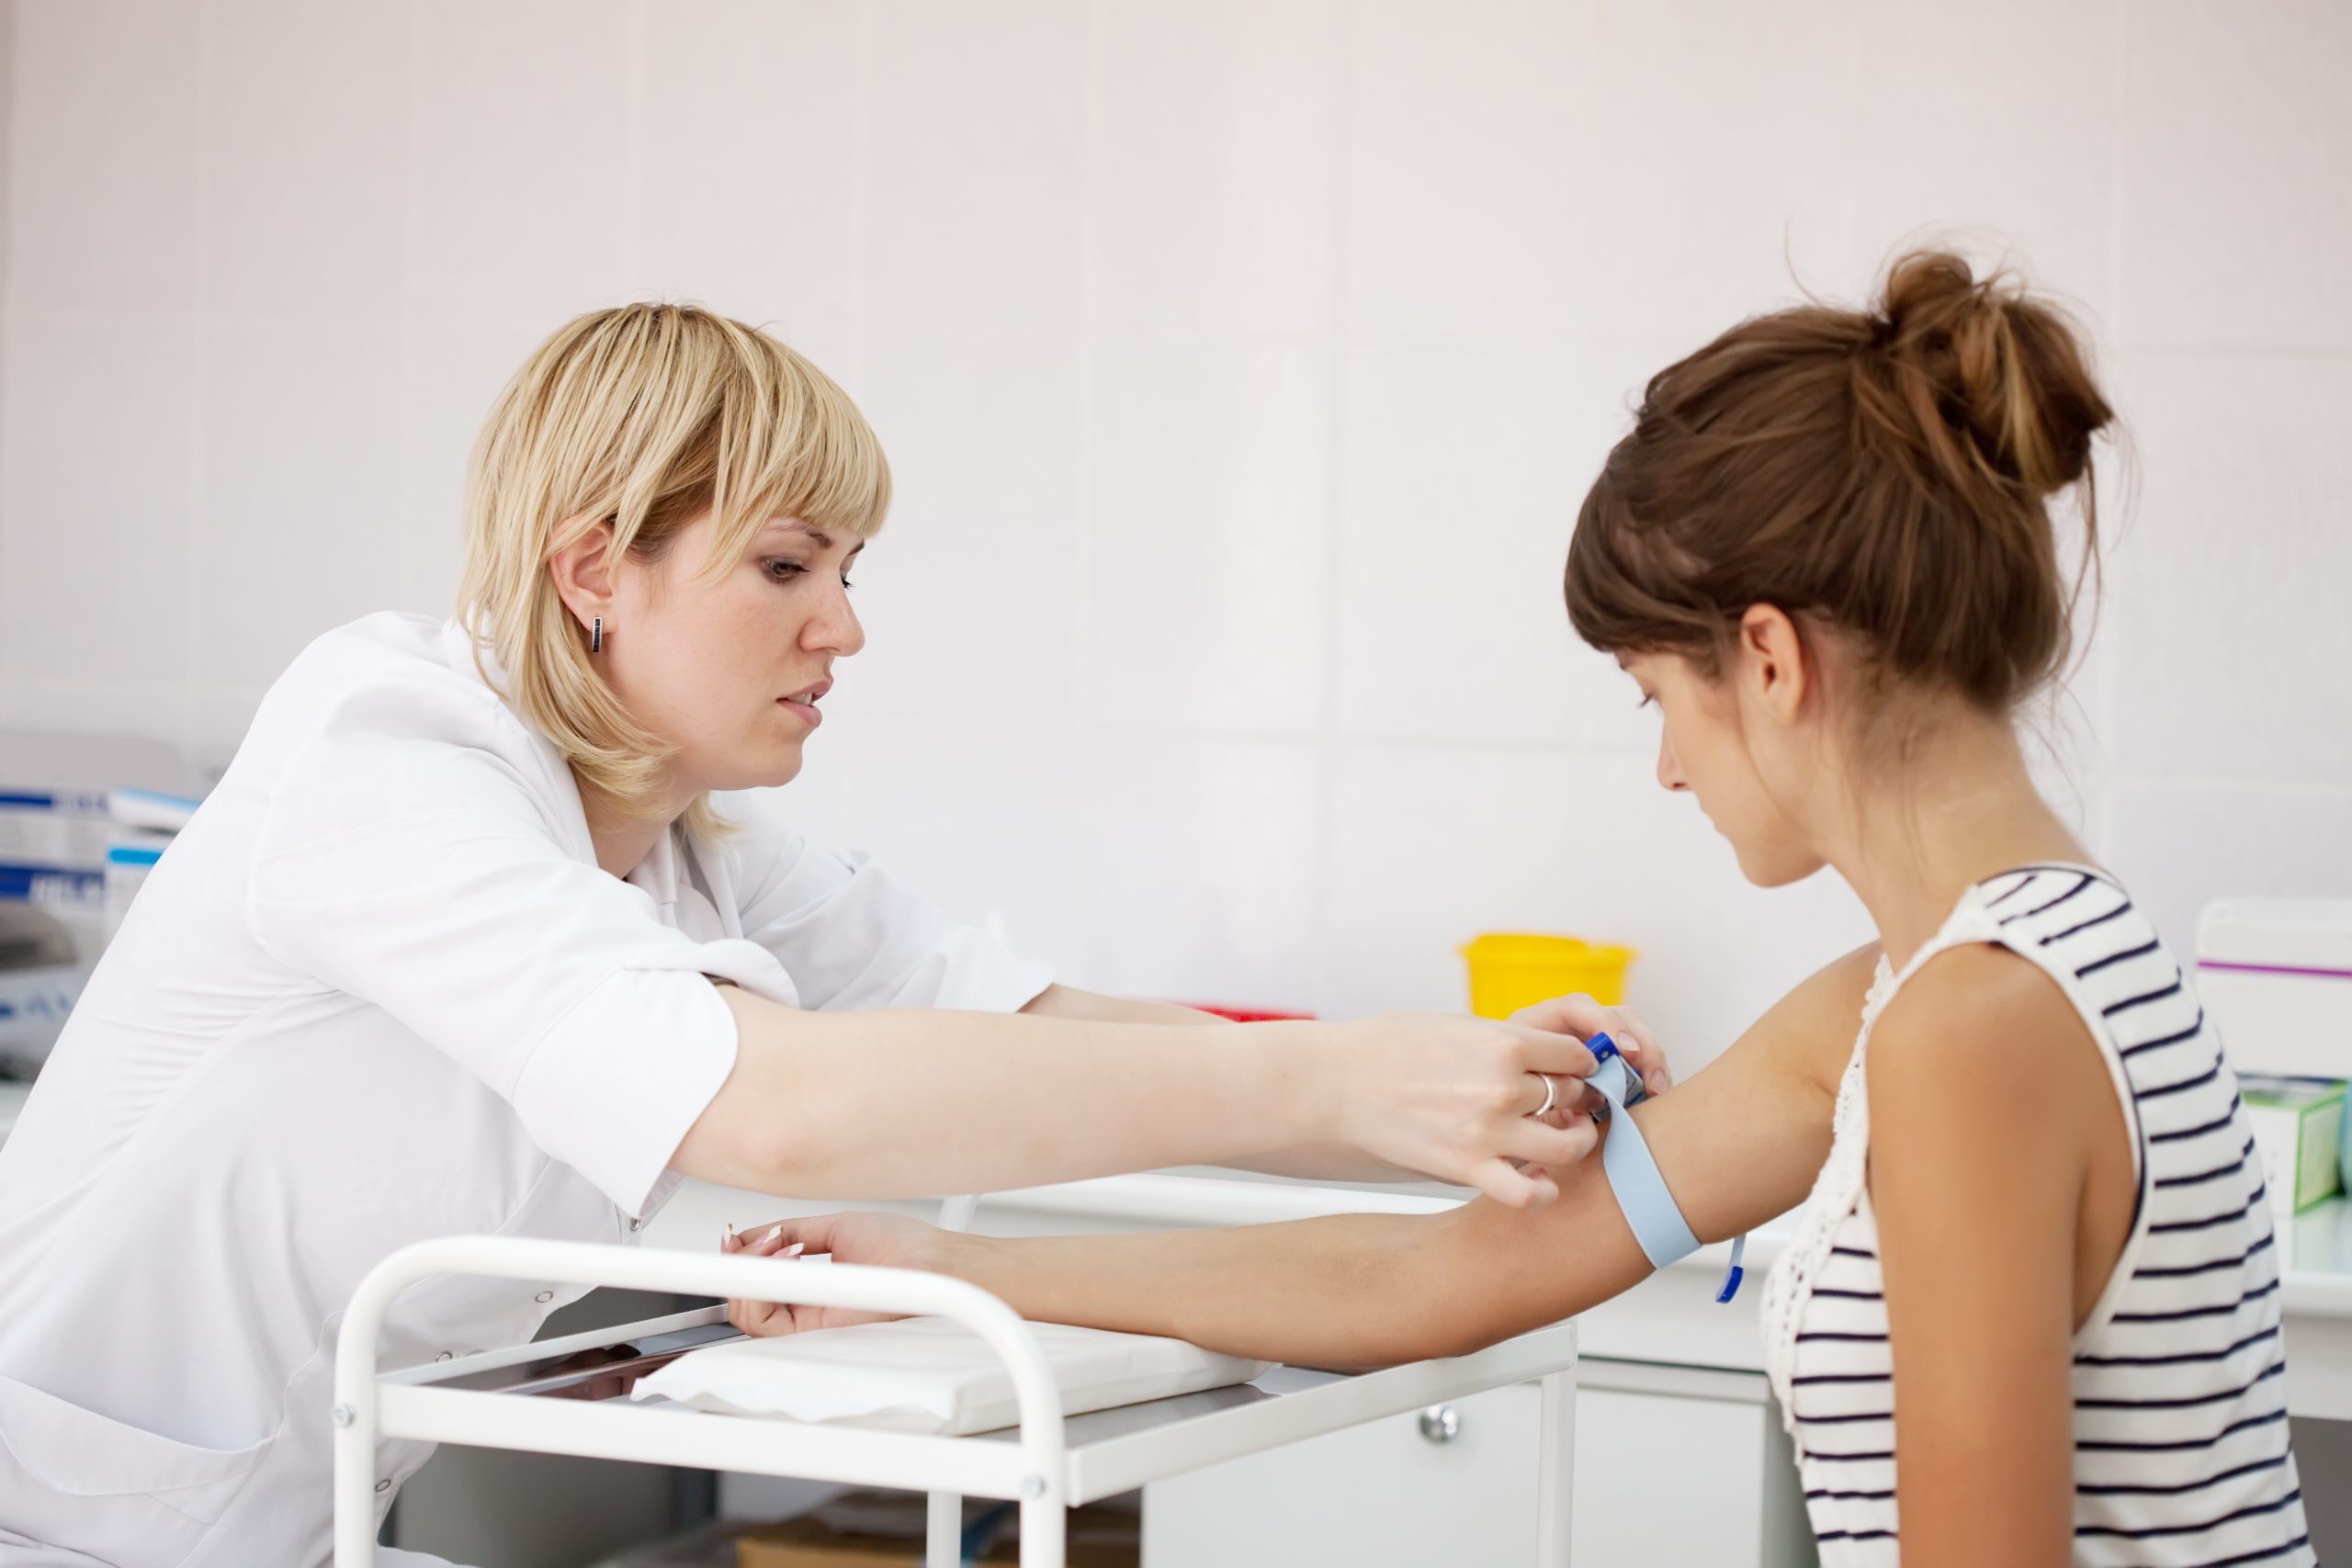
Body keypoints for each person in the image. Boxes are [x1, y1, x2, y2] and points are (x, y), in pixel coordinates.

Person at [743, 254, 2313, 1567]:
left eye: (1656, 695)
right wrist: (942, 1272)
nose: (1667, 771)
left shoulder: (1973, 1029)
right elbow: (1430, 1282)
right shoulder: (1917, 997)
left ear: (1768, 661)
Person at [0, 304, 1617, 1568]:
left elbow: (1039, 1025)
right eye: (785, 566)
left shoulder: (694, 845)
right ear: (592, 570)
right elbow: (776, 1106)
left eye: (845, 569)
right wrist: (1337, 1091)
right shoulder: (385, 754)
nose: (842, 625)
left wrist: (1471, 1099)